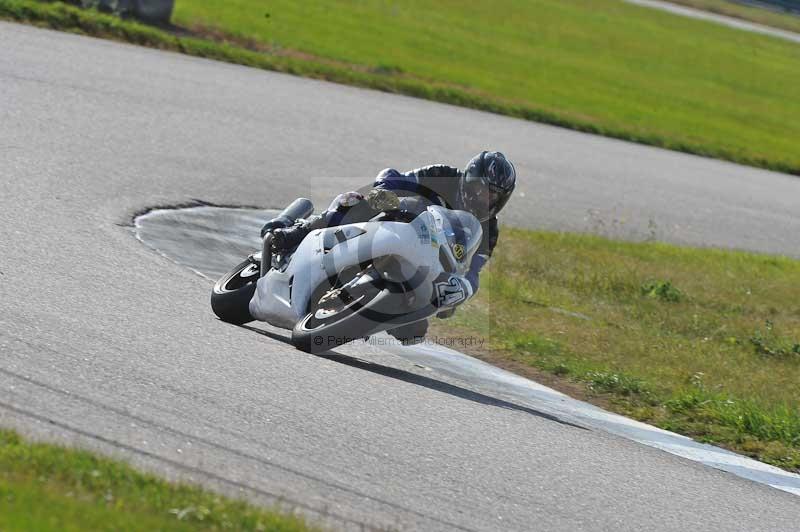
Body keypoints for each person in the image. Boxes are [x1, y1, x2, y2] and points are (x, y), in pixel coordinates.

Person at [261, 151, 516, 344]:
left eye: (494, 195)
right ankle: (298, 232)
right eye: (483, 190)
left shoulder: (489, 230)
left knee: (415, 332)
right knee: (354, 201)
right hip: (394, 227)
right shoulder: (442, 175)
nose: (487, 199)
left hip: (426, 266)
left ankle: (374, 313)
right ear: (469, 180)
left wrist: (463, 288)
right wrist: (385, 191)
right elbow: (394, 176)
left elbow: (474, 271)